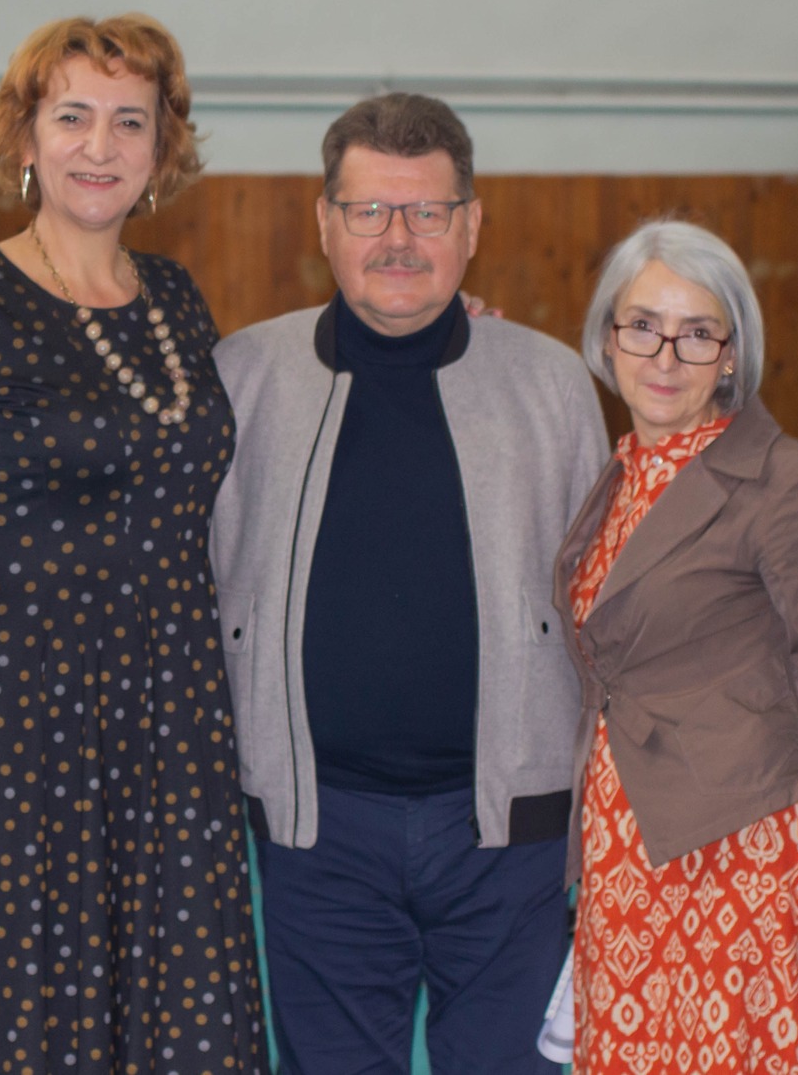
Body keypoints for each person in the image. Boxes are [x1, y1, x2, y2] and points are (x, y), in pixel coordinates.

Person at [0, 14, 270, 1074]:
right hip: (4, 732)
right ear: (26, 137)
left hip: (168, 727)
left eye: (129, 121)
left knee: (171, 1018)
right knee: (11, 1020)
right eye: (73, 116)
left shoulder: (177, 302)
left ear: (161, 148)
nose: (100, 145)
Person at [208, 92, 610, 1074]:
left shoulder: (552, 383)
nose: (397, 238)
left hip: (511, 836)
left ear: (471, 225)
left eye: (427, 211)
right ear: (324, 222)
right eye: (369, 211)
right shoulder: (242, 376)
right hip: (316, 831)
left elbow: (607, 610)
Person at [555, 219, 798, 1074]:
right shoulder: (618, 476)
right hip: (625, 853)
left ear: (732, 355)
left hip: (747, 863)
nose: (666, 356)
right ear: (608, 338)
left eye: (698, 332)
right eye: (643, 325)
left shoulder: (787, 480)